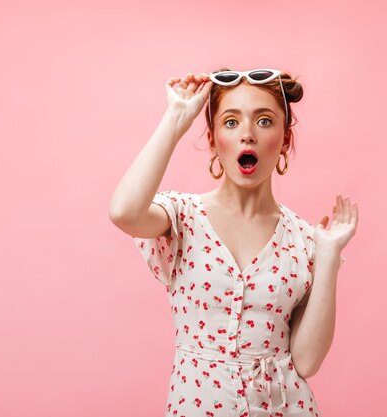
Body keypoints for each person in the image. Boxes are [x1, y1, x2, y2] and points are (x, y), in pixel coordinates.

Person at [109, 68, 359, 416]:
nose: (247, 135)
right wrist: (177, 117)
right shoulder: (183, 216)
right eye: (230, 122)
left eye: (264, 121)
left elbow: (307, 361)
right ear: (212, 139)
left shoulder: (305, 241)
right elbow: (125, 213)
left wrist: (329, 255)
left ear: (285, 140)